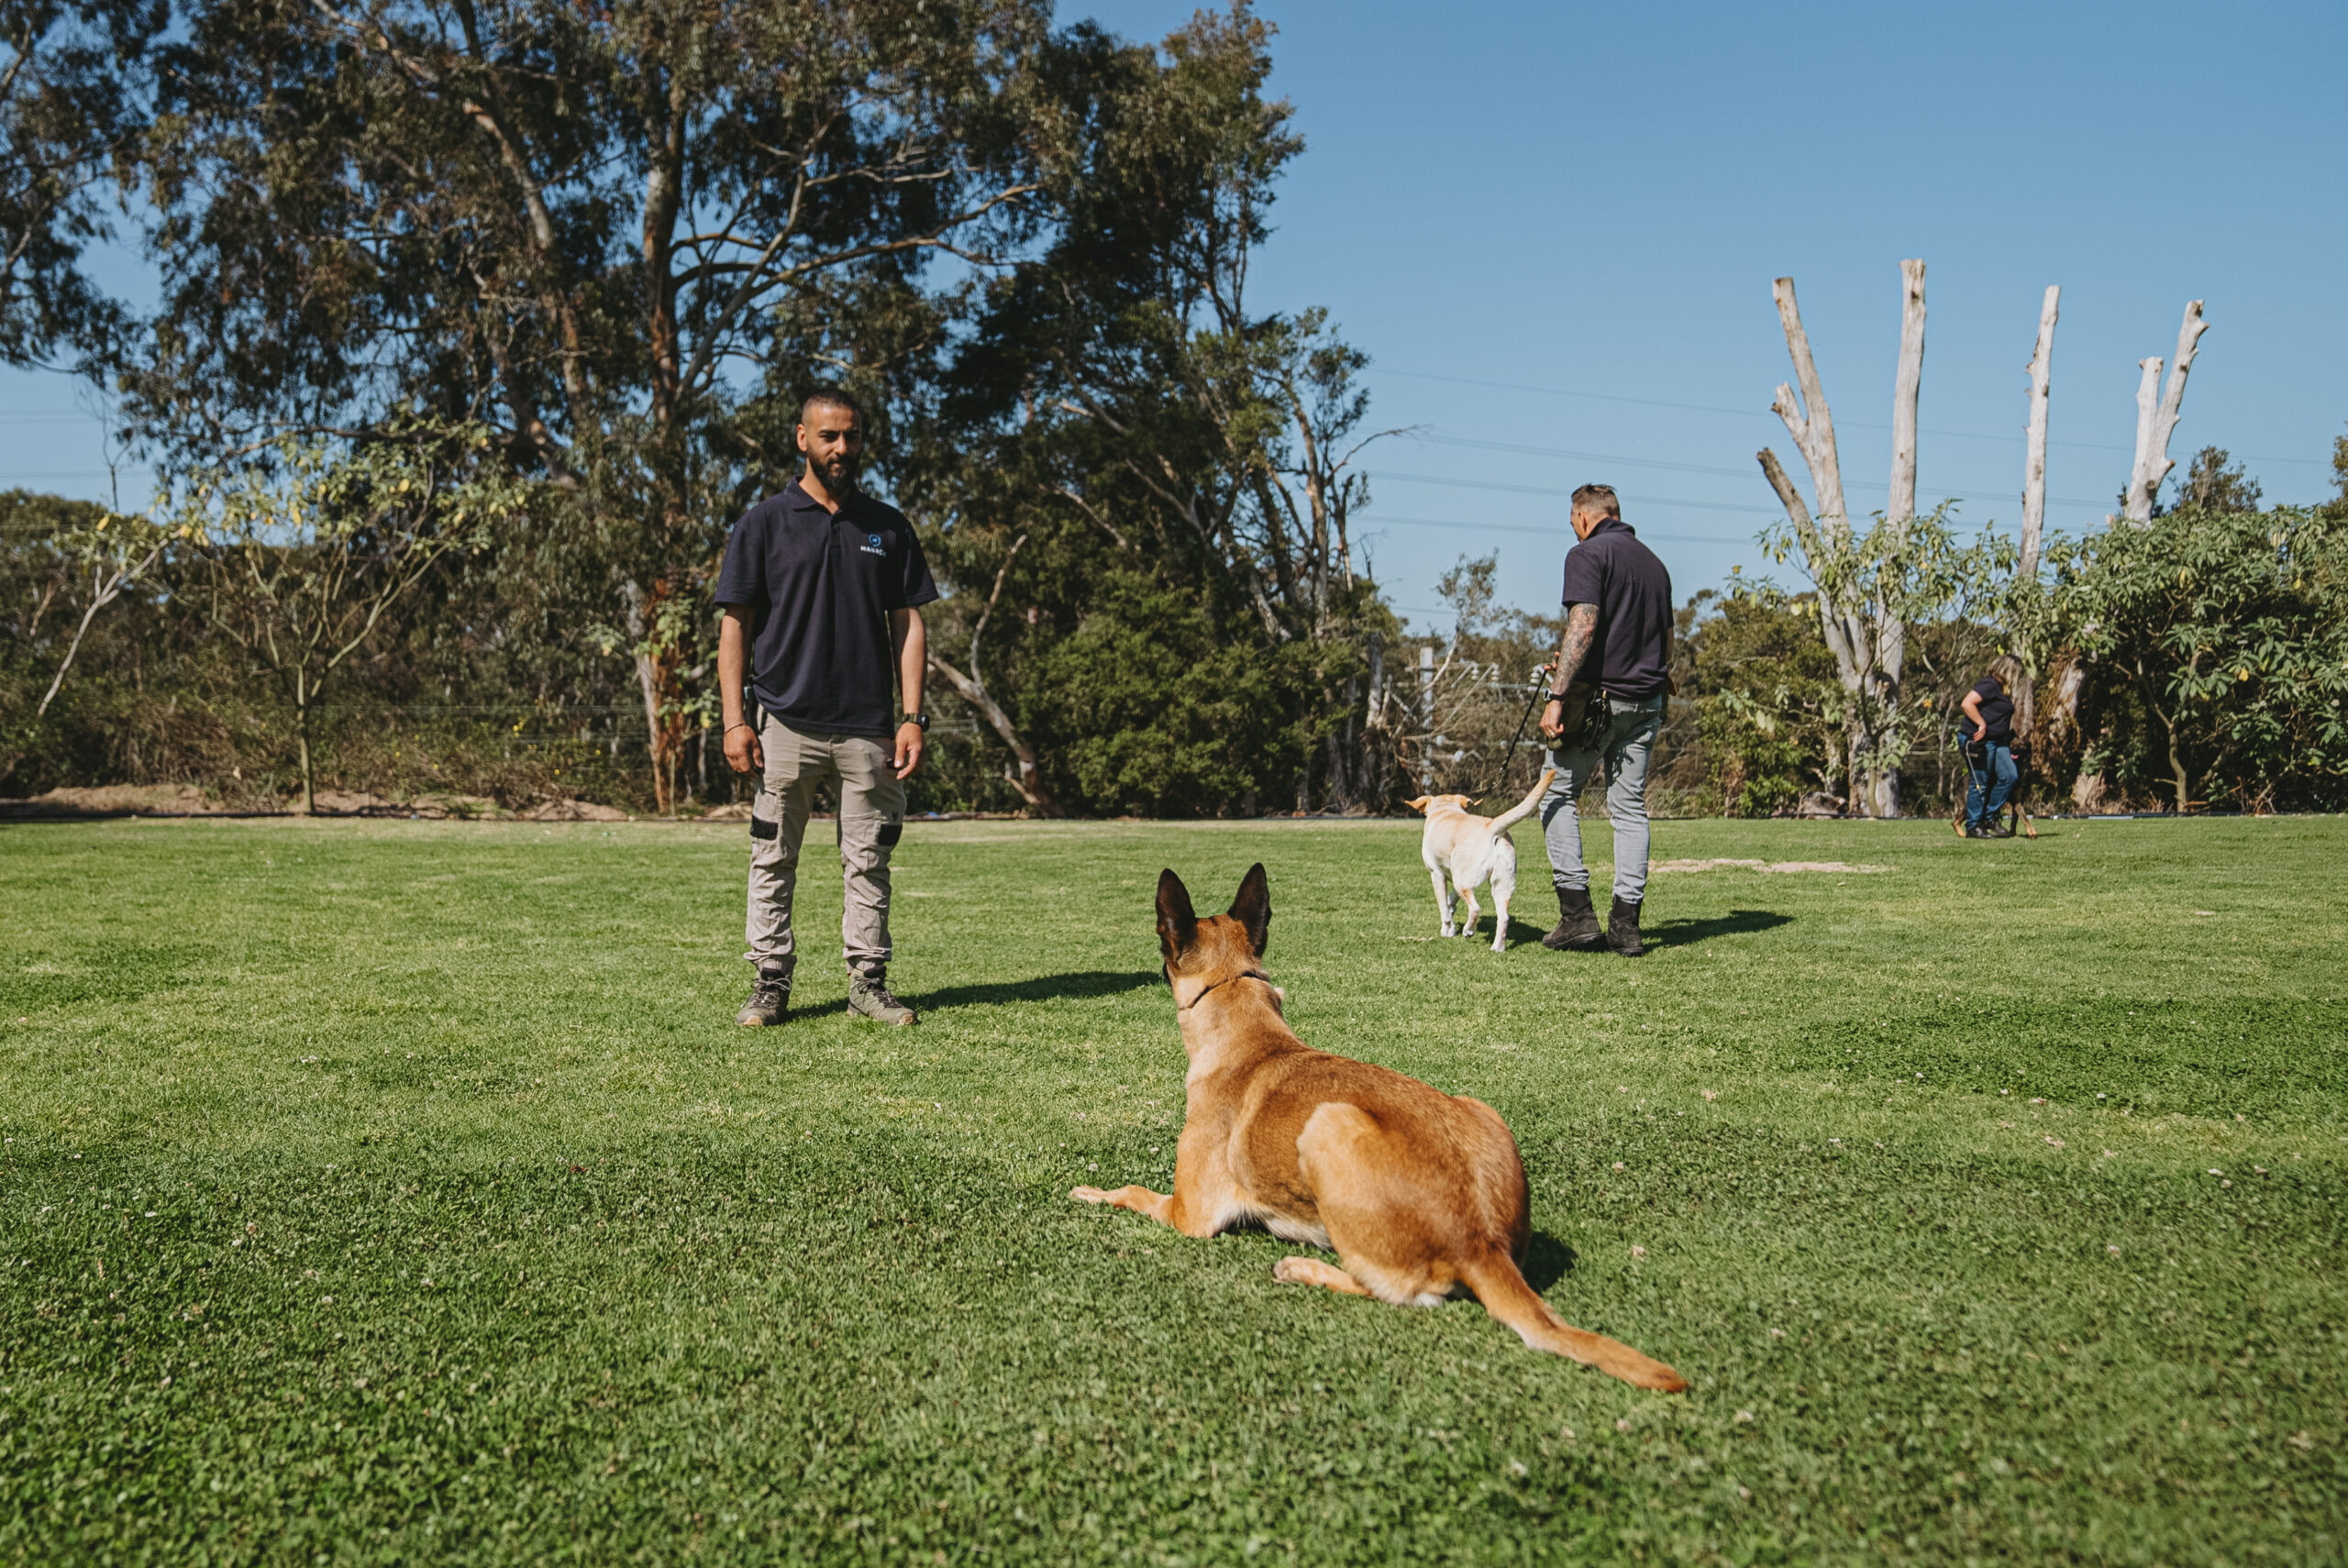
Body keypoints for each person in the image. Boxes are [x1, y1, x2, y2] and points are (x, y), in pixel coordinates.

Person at [716, 386, 938, 1026]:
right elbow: (736, 626)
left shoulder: (887, 526)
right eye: (829, 436)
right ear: (801, 439)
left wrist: (912, 716)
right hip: (783, 721)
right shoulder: (762, 523)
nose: (842, 447)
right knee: (772, 855)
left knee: (868, 860)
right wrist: (736, 719)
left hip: (868, 727)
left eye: (852, 436)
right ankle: (769, 982)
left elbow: (909, 625)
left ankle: (868, 982)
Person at [1537, 484, 1674, 957]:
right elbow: (1667, 641)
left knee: (1555, 792)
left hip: (1600, 703)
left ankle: (1576, 916)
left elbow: (1585, 624)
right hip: (1648, 699)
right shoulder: (1654, 563)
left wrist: (1558, 695)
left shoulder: (1587, 554)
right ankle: (1626, 926)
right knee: (1629, 808)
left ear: (1581, 516)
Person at [1959, 653, 2024, 839]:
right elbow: (1967, 703)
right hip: (1979, 741)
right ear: (2008, 670)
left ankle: (1990, 817)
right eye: (2016, 673)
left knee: (2009, 776)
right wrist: (1981, 723)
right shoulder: (1989, 684)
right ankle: (1974, 825)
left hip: (1998, 742)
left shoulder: (2002, 690)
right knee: (1981, 782)